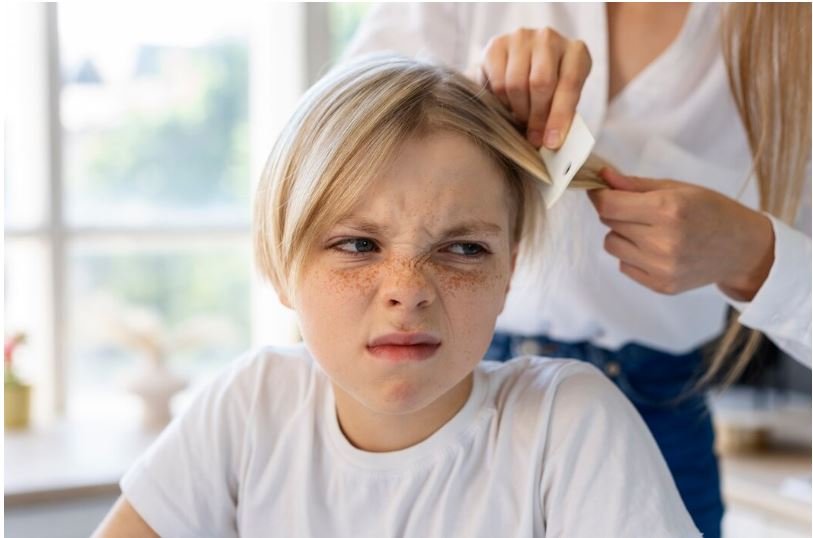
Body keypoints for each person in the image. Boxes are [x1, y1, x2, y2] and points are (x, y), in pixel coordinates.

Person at [92, 56, 701, 537]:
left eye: (463, 249)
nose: (408, 292)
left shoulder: (568, 426)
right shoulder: (250, 408)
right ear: (279, 264)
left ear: (508, 274)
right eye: (358, 245)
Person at [342, 3, 812, 538]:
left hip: (658, 411)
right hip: (443, 386)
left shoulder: (794, 30)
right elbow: (332, 149)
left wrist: (755, 255)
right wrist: (464, 100)